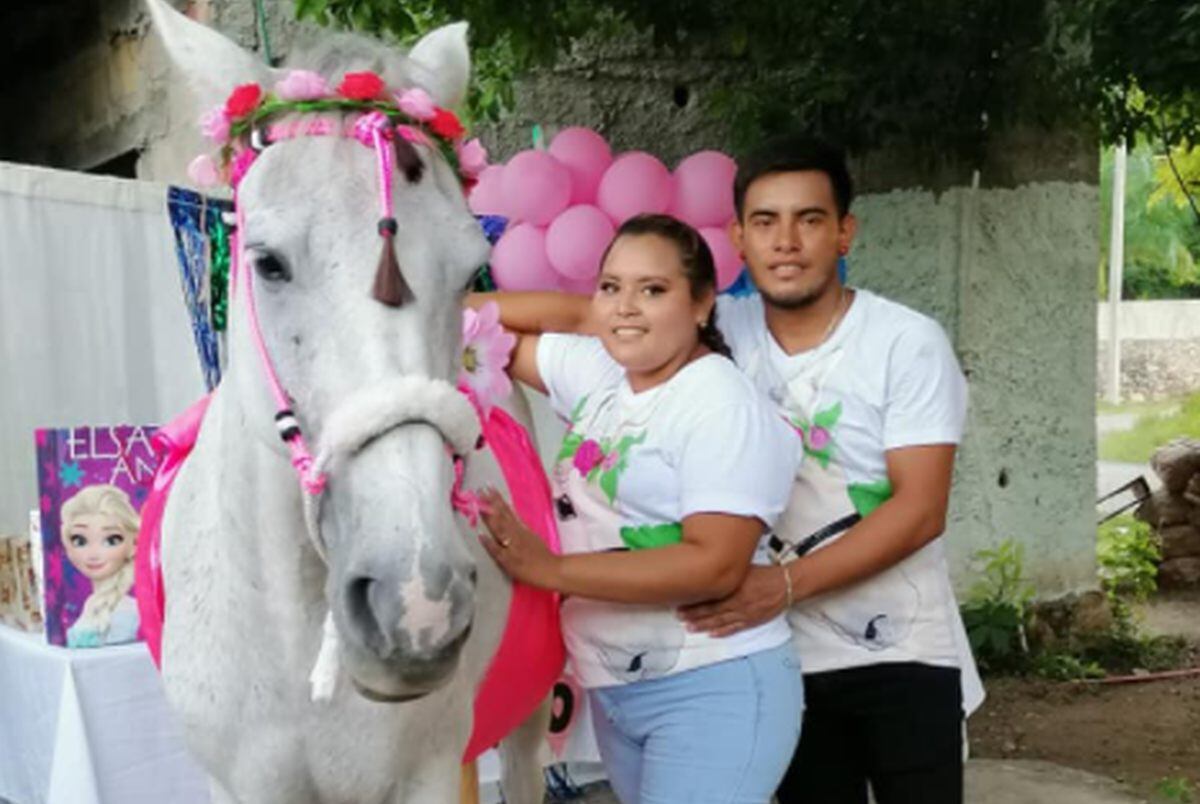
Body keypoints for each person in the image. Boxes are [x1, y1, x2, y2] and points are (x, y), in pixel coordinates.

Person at [488, 137, 983, 803]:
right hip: (766, 646)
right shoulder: (717, 325)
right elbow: (584, 315)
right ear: (738, 239)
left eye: (809, 219)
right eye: (765, 222)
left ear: (844, 232)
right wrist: (430, 319)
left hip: (893, 646)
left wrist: (783, 584)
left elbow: (920, 509)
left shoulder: (905, 342)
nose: (786, 241)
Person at [471, 213, 804, 804]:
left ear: (703, 303)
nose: (626, 306)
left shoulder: (718, 402)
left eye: (653, 290)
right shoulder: (606, 376)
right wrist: (589, 315)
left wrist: (548, 570)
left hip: (711, 688)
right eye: (610, 286)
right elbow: (477, 329)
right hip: (620, 689)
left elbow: (714, 565)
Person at [59, 484, 141, 647]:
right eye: (80, 540)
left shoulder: (127, 612)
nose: (93, 554)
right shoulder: (93, 604)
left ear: (134, 544)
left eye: (111, 540)